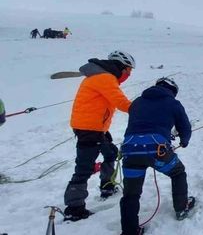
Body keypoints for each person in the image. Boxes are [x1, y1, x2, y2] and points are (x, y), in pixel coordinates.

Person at [63, 50, 136, 222]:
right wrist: (143, 109)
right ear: (120, 66)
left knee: (110, 153)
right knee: (84, 168)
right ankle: (74, 208)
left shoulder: (100, 76)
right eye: (128, 70)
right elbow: (122, 103)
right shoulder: (105, 78)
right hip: (89, 129)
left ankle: (107, 185)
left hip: (95, 128)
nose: (128, 74)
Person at [120, 77, 194, 235]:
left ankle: (130, 231)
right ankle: (181, 208)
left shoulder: (137, 102)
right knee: (178, 173)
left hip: (130, 151)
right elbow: (185, 127)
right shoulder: (173, 103)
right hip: (156, 150)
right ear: (172, 91)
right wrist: (185, 141)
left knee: (131, 194)